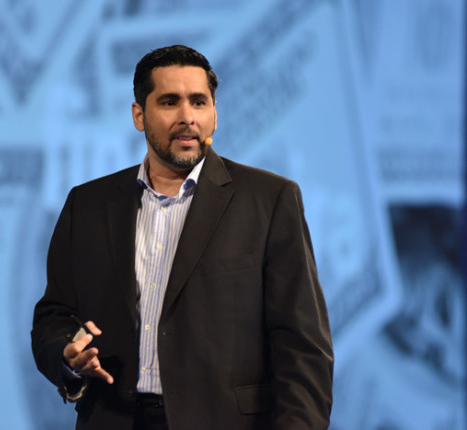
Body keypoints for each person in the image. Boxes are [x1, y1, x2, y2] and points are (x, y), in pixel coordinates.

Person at [32, 45, 333, 430]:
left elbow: (303, 347)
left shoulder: (270, 200)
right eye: (170, 102)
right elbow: (53, 316)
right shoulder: (88, 204)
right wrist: (67, 354)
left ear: (214, 115)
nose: (187, 117)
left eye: (199, 102)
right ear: (139, 115)